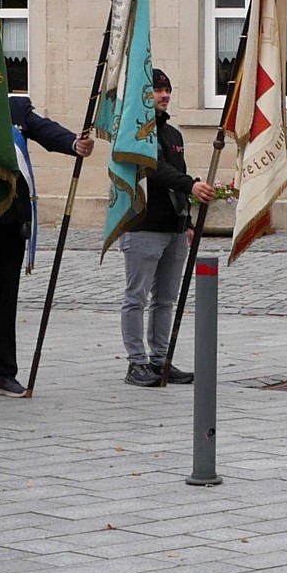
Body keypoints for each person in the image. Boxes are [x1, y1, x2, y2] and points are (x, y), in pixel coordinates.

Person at [0, 93, 94, 398]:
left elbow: (45, 130)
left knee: (4, 300)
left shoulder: (15, 107)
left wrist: (73, 144)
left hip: (8, 221)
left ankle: (2, 374)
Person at [117, 68, 213, 386]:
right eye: (157, 90)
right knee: (137, 297)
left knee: (165, 299)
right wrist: (192, 184)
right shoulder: (134, 132)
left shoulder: (174, 135)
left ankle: (160, 360)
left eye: (167, 89)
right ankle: (136, 363)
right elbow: (156, 169)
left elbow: (177, 176)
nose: (164, 95)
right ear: (143, 96)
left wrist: (186, 223)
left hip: (172, 229)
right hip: (143, 225)